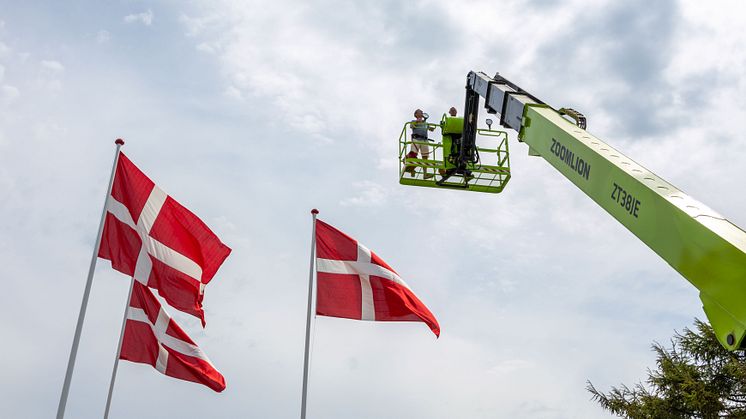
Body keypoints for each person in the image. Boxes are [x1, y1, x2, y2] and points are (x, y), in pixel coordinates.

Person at [404, 109, 435, 178]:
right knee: (413, 155)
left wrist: (432, 128)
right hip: (416, 139)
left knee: (425, 158)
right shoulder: (413, 121)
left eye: (422, 112)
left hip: (424, 140)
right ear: (416, 114)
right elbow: (411, 126)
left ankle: (425, 174)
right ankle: (411, 169)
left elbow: (430, 129)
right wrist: (417, 122)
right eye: (420, 112)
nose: (422, 112)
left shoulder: (425, 123)